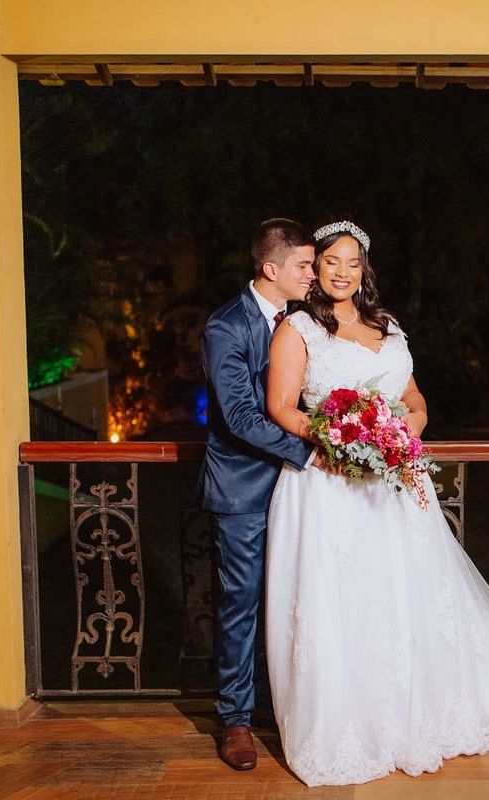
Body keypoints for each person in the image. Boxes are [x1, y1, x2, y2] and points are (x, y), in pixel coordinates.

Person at [265, 220, 489, 787]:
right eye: (330, 263)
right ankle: (351, 720)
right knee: (341, 598)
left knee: (405, 593)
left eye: (352, 262)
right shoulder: (297, 328)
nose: (343, 272)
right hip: (328, 486)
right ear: (314, 270)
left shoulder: (387, 325)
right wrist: (338, 441)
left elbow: (414, 401)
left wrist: (401, 432)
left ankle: (419, 705)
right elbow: (281, 406)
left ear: (363, 270)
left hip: (396, 485)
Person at [193, 218, 319, 771]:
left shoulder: (302, 323)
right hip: (244, 488)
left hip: (298, 491)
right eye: (305, 266)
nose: (313, 275)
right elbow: (240, 416)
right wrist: (315, 450)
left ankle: (286, 706)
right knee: (241, 603)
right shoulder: (227, 326)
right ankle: (237, 721)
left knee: (294, 598)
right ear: (272, 269)